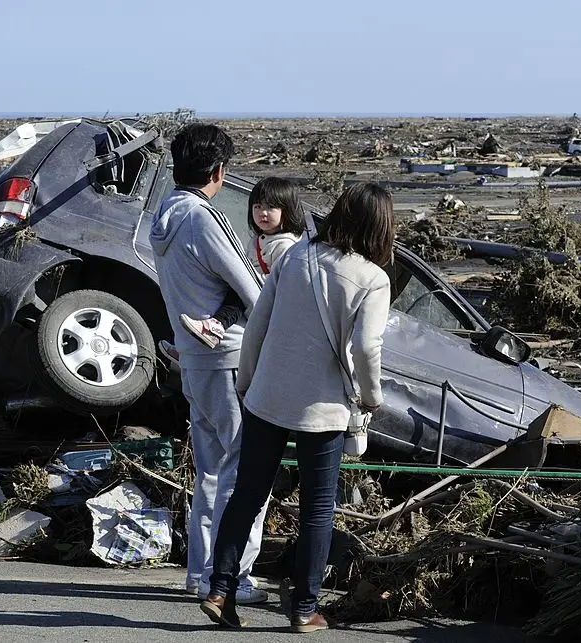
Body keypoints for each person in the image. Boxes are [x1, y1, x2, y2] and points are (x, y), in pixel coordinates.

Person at [200, 183, 395, 632]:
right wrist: (372, 397)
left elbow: (256, 327)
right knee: (317, 509)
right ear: (381, 226)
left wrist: (247, 383)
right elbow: (367, 348)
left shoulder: (296, 256)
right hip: (322, 409)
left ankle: (220, 590)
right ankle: (305, 609)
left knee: (247, 495)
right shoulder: (373, 278)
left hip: (267, 396)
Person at [148, 123, 268, 604]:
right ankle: (231, 577)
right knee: (244, 471)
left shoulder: (164, 216)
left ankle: (200, 573)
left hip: (194, 359)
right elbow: (255, 293)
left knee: (211, 472)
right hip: (230, 358)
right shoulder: (204, 219)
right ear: (218, 171)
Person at [159, 176, 305, 362]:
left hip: (264, 298)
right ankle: (190, 347)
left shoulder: (285, 244)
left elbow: (283, 281)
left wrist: (246, 282)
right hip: (252, 293)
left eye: (271, 207)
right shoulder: (258, 239)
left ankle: (211, 331)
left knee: (233, 296)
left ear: (287, 210)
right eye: (258, 207)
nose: (263, 213)